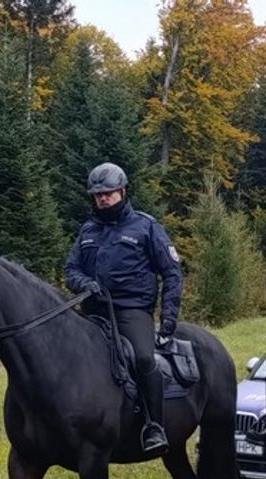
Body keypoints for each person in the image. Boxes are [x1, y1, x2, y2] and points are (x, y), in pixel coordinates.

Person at [65, 163, 183, 455]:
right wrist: (85, 283)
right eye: (97, 195)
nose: (102, 199)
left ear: (122, 191)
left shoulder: (146, 227)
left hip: (132, 311)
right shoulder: (88, 229)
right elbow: (71, 268)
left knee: (144, 359)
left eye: (108, 193)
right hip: (93, 311)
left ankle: (154, 426)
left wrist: (168, 317)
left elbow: (172, 273)